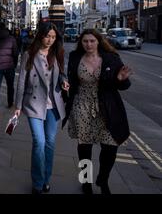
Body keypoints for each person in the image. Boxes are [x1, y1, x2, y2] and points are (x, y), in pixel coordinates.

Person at [63, 29, 132, 194]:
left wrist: (120, 80)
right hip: (82, 105)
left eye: (92, 41)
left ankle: (103, 179)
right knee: (84, 147)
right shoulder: (75, 57)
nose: (88, 44)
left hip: (106, 107)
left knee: (110, 147)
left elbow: (123, 85)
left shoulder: (111, 59)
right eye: (85, 41)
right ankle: (86, 181)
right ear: (81, 42)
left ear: (98, 41)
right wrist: (65, 87)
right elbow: (71, 81)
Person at [14, 22, 69, 194]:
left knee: (50, 144)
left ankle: (46, 179)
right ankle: (37, 183)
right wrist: (17, 105)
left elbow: (62, 73)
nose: (50, 40)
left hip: (53, 106)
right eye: (47, 36)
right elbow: (21, 80)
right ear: (41, 35)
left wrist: (64, 82)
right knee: (39, 142)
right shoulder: (29, 54)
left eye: (53, 37)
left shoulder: (57, 53)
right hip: (34, 103)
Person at [0, 22, 19, 116]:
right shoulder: (11, 39)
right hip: (9, 66)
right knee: (10, 86)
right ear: (5, 28)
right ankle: (10, 103)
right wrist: (14, 64)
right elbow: (15, 53)